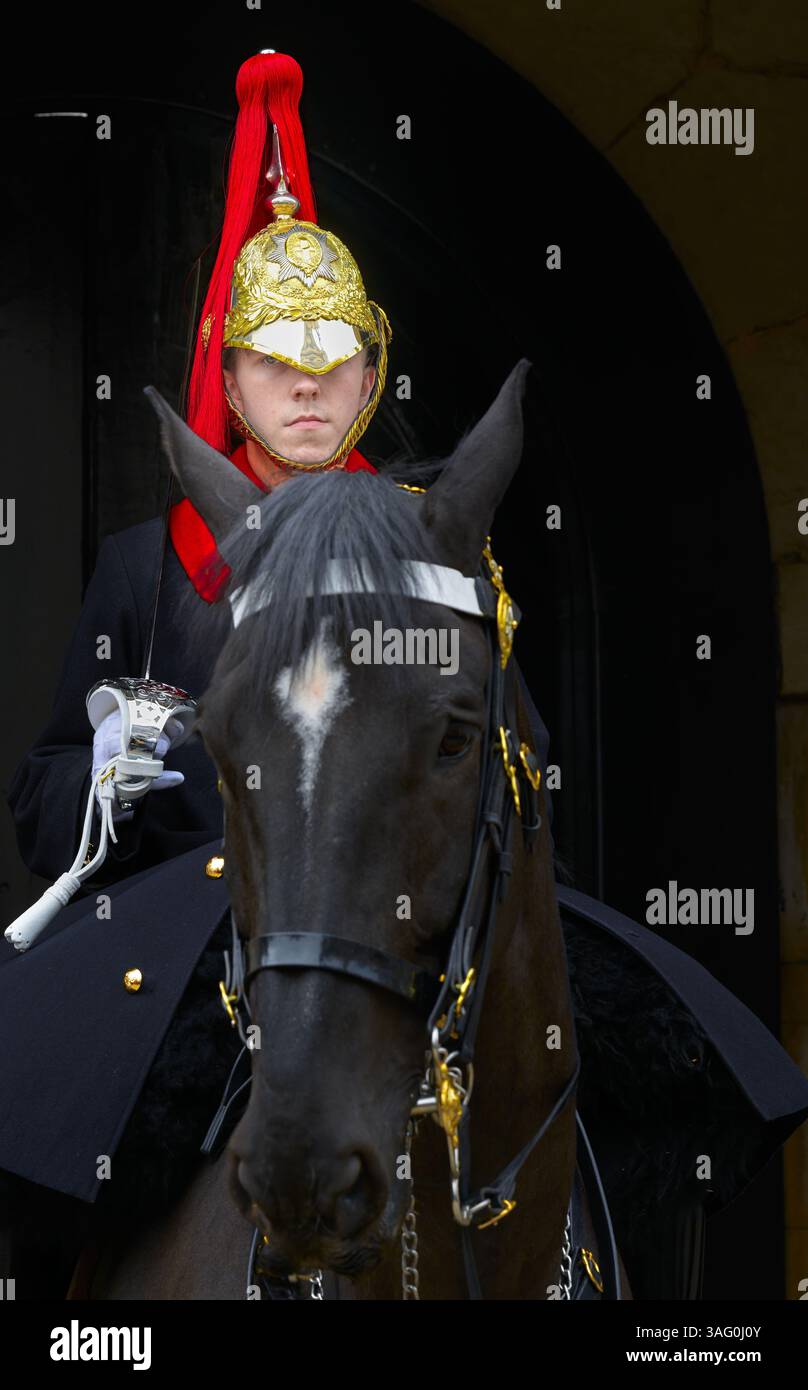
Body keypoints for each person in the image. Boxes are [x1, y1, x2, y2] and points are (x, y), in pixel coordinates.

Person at [0, 50, 555, 1298]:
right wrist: (100, 778)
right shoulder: (146, 568)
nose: (307, 383)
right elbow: (36, 803)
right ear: (231, 375)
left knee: (600, 1065)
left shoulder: (438, 543)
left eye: (335, 358)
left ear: (370, 374)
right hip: (191, 947)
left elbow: (516, 777)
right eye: (274, 359)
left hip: (402, 926)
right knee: (46, 1118)